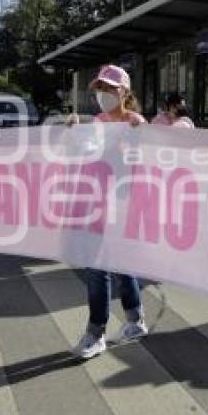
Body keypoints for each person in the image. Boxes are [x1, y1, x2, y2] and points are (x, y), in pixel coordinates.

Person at [69, 65, 148, 359]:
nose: (103, 94)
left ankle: (95, 332)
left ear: (124, 92)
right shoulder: (99, 121)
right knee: (117, 262)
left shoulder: (135, 122)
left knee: (98, 265)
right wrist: (74, 134)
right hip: (98, 202)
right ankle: (136, 319)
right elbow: (87, 157)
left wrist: (136, 138)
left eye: (110, 88)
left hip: (124, 204)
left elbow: (143, 163)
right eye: (100, 89)